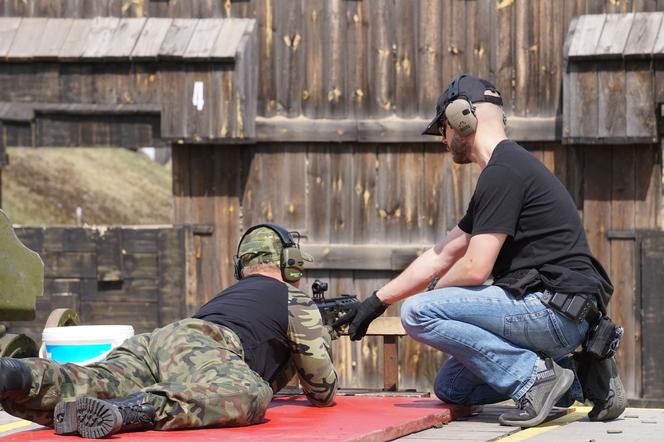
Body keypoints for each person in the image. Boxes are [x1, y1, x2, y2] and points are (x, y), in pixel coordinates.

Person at [336, 74, 626, 428]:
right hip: (569, 316)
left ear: (462, 117)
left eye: (443, 127)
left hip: (551, 311)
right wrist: (377, 301)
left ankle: (533, 379)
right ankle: (585, 378)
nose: (443, 139)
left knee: (417, 313)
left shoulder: (503, 172)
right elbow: (442, 253)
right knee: (452, 387)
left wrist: (432, 295)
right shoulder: (510, 168)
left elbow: (474, 267)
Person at [0, 223, 337, 439]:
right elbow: (322, 391)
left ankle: (16, 376)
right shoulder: (293, 298)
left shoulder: (233, 294)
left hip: (159, 339)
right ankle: (130, 410)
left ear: (242, 265)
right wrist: (323, 335)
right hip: (207, 347)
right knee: (250, 392)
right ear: (290, 261)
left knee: (95, 380)